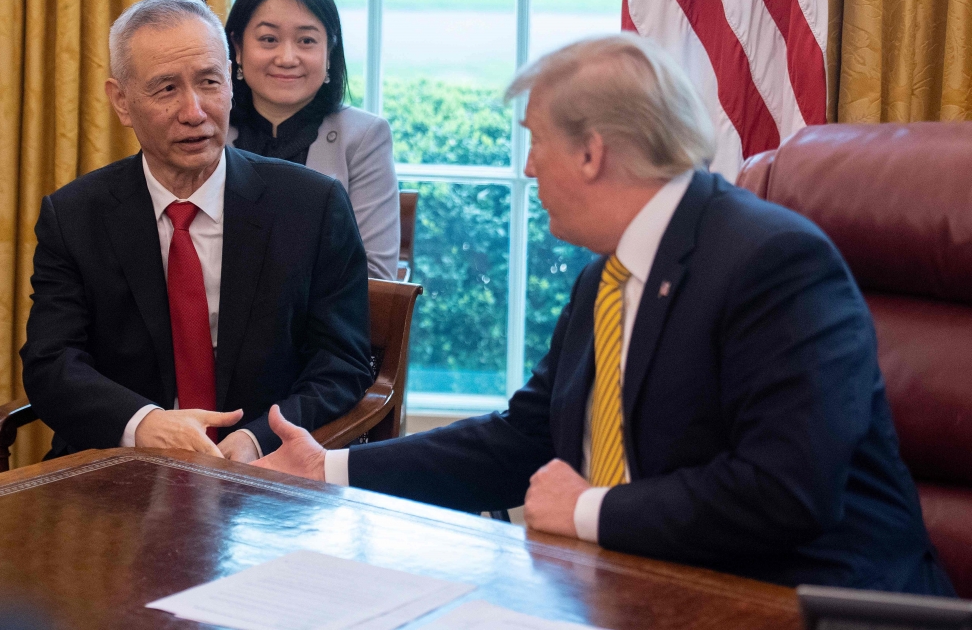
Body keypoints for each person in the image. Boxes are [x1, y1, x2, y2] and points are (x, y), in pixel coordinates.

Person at [250, 34, 955, 595]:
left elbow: (785, 491)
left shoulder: (774, 263)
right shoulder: (606, 276)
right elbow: (523, 440)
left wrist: (589, 509)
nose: (529, 168)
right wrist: (329, 470)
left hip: (807, 601)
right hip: (649, 586)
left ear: (591, 153)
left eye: (535, 141)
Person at [20, 0, 373, 464]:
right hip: (122, 468)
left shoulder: (312, 205)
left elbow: (342, 364)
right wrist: (144, 424)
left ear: (230, 81)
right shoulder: (75, 216)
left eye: (209, 82)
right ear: (121, 102)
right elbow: (51, 362)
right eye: (166, 89)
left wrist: (256, 440)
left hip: (264, 467)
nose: (194, 111)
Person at [226, 0, 400, 280]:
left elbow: (375, 278)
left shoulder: (365, 138)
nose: (287, 58)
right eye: (269, 39)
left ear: (329, 51)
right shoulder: (205, 132)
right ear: (237, 48)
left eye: (306, 40)